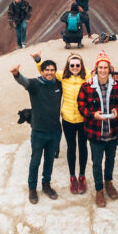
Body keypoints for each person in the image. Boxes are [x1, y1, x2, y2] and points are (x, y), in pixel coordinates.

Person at [32, 51, 89, 194]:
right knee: (71, 147)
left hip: (83, 119)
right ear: (68, 66)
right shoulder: (63, 76)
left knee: (83, 147)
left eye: (77, 64)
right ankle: (72, 177)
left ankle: (82, 176)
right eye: (72, 65)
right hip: (68, 119)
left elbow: (100, 74)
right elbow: (46, 72)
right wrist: (38, 60)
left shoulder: (87, 76)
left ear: (81, 65)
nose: (75, 67)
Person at [11, 59, 61, 204]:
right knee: (35, 161)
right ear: (42, 71)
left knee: (50, 160)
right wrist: (16, 74)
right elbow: (24, 81)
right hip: (39, 131)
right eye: (47, 70)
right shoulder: (35, 84)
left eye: (52, 70)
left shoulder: (59, 84)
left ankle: (46, 184)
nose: (50, 72)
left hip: (55, 130)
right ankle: (32, 188)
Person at [77, 52, 118, 207]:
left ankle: (108, 182)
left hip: (112, 131)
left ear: (109, 69)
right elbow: (81, 106)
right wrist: (92, 115)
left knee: (111, 159)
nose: (103, 70)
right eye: (100, 67)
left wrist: (116, 109)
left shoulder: (116, 85)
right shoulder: (87, 86)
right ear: (96, 69)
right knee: (96, 162)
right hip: (95, 132)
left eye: (105, 67)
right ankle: (99, 190)